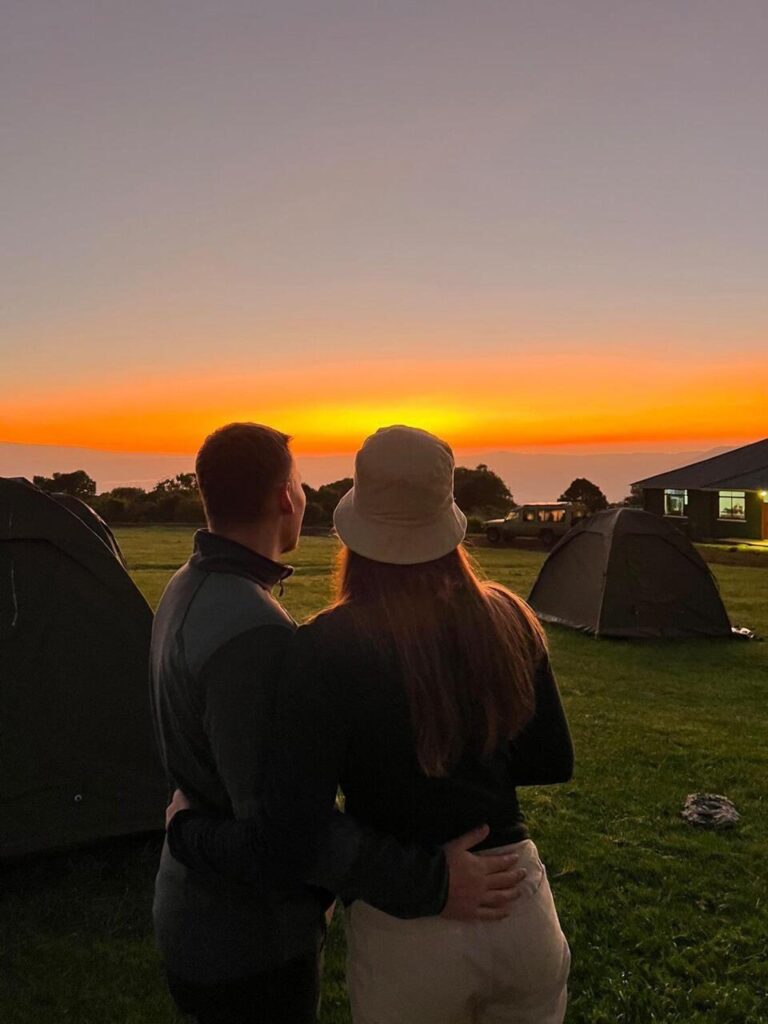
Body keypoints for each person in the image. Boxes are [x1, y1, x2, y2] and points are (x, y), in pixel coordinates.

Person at [151, 422, 527, 1024]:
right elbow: (283, 836)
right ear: (286, 498)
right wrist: (430, 883)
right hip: (248, 940)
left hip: (196, 918)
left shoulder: (186, 586)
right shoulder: (259, 636)